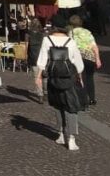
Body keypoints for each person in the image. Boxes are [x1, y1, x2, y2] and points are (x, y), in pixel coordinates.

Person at [34, 14, 85, 151]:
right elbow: (78, 64)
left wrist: (38, 77)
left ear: (53, 26)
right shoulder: (71, 42)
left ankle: (61, 134)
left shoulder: (47, 40)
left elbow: (42, 60)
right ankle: (72, 139)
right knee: (71, 107)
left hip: (53, 78)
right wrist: (80, 76)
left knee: (58, 106)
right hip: (69, 79)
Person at [68, 15, 102, 105]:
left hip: (79, 57)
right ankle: (92, 98)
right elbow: (94, 46)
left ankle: (83, 98)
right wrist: (97, 59)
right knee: (90, 78)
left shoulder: (71, 33)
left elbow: (70, 46)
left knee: (81, 78)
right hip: (90, 57)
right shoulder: (87, 32)